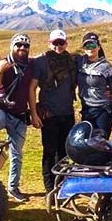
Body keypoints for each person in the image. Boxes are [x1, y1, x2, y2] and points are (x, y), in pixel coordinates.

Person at [0, 33, 33, 202]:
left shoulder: (31, 65)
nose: (22, 48)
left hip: (20, 116)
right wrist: (0, 70)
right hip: (3, 111)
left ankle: (13, 188)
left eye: (26, 45)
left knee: (17, 154)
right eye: (19, 45)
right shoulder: (2, 62)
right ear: (12, 46)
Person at [29, 29, 77, 194]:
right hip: (49, 114)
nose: (58, 46)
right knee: (49, 150)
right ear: (49, 43)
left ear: (66, 43)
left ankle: (62, 183)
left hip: (67, 113)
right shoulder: (41, 61)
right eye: (55, 43)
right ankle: (49, 187)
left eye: (61, 43)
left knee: (65, 150)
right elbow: (32, 87)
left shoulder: (71, 60)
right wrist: (34, 113)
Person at [75, 32, 112, 139]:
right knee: (85, 143)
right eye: (87, 45)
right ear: (83, 48)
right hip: (86, 110)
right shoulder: (78, 61)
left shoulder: (106, 67)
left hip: (103, 111)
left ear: (99, 47)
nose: (90, 48)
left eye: (93, 45)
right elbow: (62, 56)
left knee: (100, 145)